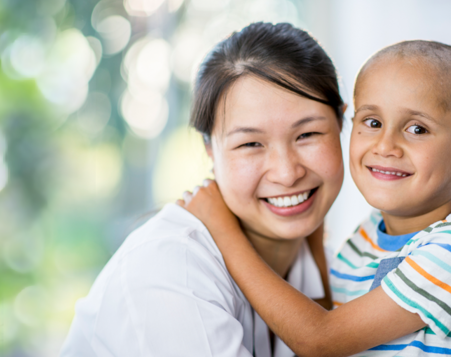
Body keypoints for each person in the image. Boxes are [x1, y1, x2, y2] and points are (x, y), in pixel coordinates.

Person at [59, 22, 345, 357]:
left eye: (307, 135)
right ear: (210, 151)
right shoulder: (171, 268)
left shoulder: (322, 260)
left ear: (342, 123)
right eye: (251, 143)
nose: (286, 172)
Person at [178, 40, 451, 356]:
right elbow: (333, 317)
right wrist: (314, 240)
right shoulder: (367, 235)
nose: (386, 146)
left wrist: (222, 230)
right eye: (373, 123)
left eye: (417, 129)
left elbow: (320, 339)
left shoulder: (445, 252)